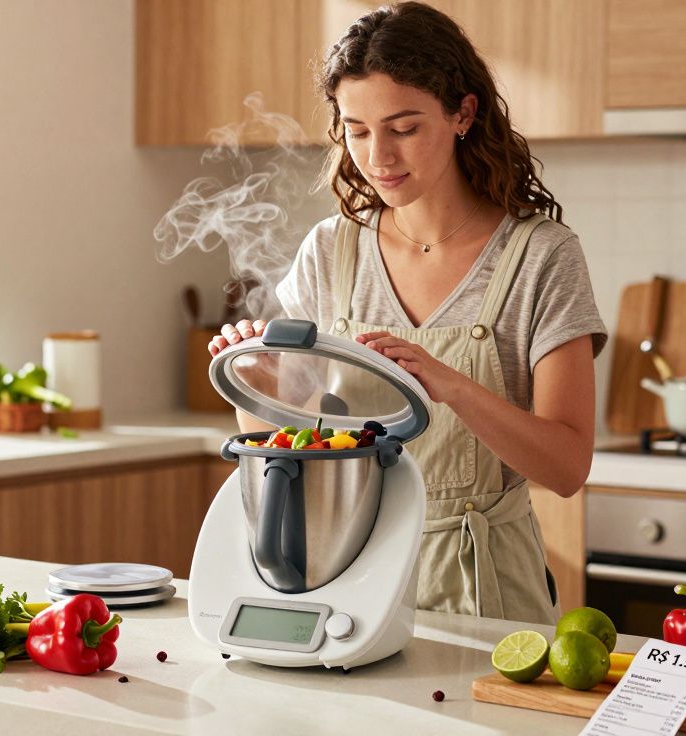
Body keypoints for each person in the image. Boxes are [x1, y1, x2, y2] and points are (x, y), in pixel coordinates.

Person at [207, 1, 607, 625]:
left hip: (484, 586)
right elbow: (298, 439)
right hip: (346, 568)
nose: (378, 157)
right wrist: (261, 384)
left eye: (404, 127)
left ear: (463, 114)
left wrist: (450, 385)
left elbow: (566, 467)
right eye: (357, 130)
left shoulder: (541, 255)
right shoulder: (330, 251)